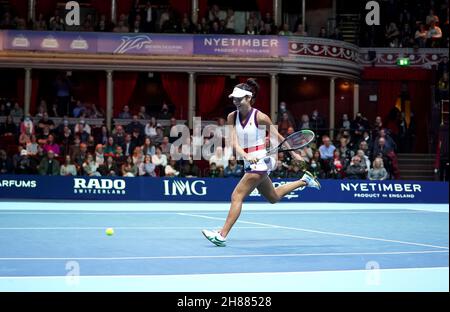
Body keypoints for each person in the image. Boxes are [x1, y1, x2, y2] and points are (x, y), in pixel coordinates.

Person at [202, 79, 320, 247]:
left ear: (249, 98)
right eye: (234, 98)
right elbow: (234, 143)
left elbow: (277, 136)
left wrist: (293, 154)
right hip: (249, 160)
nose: (235, 101)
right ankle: (305, 180)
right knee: (273, 197)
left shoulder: (261, 117)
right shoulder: (231, 117)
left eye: (239, 98)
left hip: (263, 160)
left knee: (237, 196)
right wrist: (246, 156)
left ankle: (221, 235)